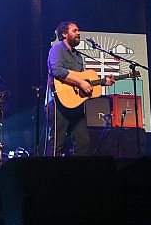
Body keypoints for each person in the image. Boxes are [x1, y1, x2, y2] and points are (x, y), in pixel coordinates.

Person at [45, 21, 114, 156]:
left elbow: (82, 81)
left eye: (78, 31)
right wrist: (81, 82)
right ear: (64, 34)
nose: (78, 33)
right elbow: (57, 71)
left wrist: (103, 82)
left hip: (75, 104)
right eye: (74, 31)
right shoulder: (57, 49)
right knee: (56, 144)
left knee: (83, 142)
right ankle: (49, 175)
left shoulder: (78, 56)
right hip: (58, 102)